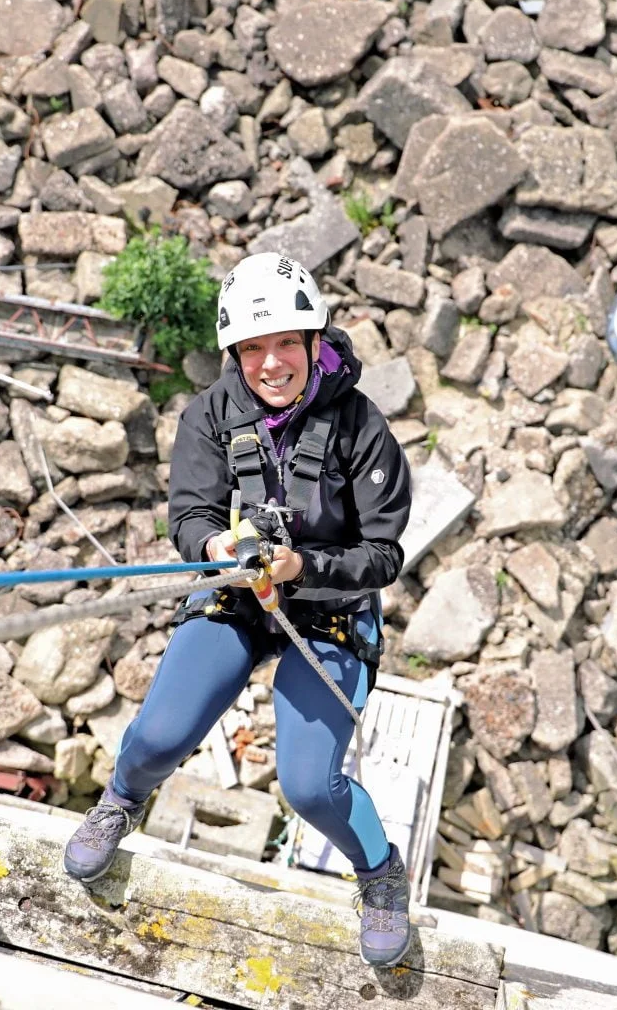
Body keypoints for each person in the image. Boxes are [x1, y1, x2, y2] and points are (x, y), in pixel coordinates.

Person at [63, 251, 413, 968]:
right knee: (158, 735)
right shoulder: (213, 413)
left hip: (329, 603)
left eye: (286, 342)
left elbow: (383, 553)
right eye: (252, 348)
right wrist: (217, 542)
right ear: (234, 355)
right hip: (239, 588)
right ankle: (121, 803)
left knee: (310, 785)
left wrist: (304, 566)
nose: (271, 363)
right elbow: (188, 512)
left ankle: (379, 875)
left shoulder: (359, 426)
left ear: (315, 341)